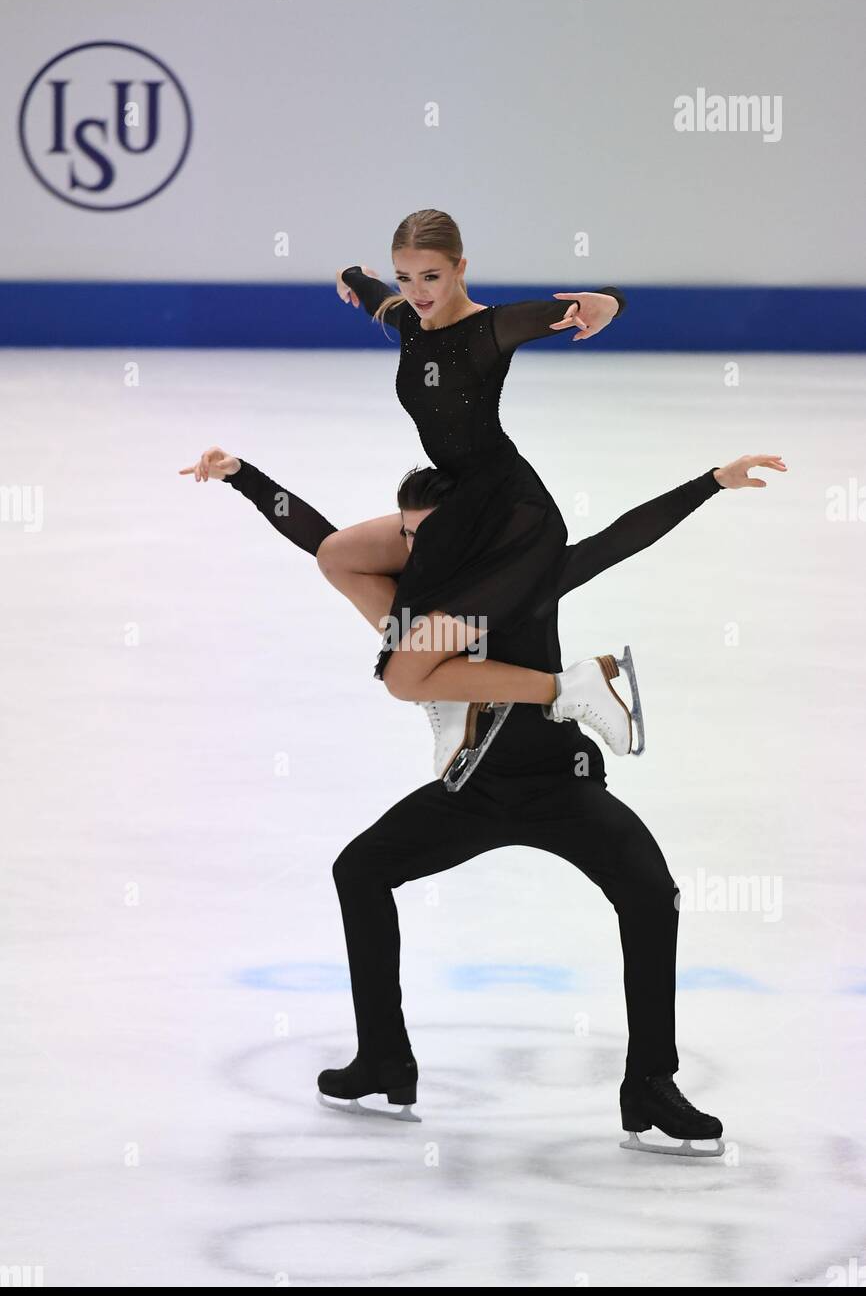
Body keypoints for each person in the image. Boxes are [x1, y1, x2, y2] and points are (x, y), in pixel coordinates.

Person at [179, 445, 786, 1154]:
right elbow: (321, 539)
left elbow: (619, 540)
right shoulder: (412, 603)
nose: (413, 550)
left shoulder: (524, 576)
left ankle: (649, 1083)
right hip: (470, 789)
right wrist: (244, 478)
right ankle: (384, 1060)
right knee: (360, 869)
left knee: (653, 894)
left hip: (559, 784)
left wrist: (710, 482)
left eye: (427, 536)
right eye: (405, 537)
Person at [327, 207, 640, 734]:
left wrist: (607, 302)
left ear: (460, 268)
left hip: (511, 518)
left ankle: (571, 688)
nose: (418, 291)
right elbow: (373, 295)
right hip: (458, 503)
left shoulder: (489, 330)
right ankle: (452, 682)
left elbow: (577, 307)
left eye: (431, 276)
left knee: (403, 679)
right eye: (406, 277)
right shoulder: (408, 319)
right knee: (340, 557)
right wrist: (352, 277)